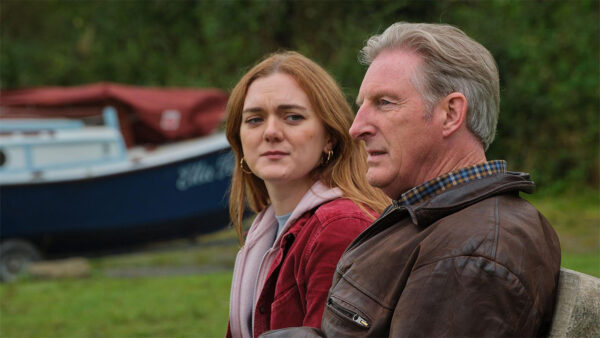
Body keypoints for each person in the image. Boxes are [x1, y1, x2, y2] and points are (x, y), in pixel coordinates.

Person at [261, 22, 561, 337]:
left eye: (384, 103)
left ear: (450, 113)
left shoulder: (469, 257)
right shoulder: (436, 219)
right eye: (361, 106)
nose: (356, 128)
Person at [225, 51, 390, 337]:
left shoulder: (339, 227)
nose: (271, 132)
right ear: (238, 139)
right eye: (254, 119)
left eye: (292, 117)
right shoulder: (264, 233)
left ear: (329, 137)